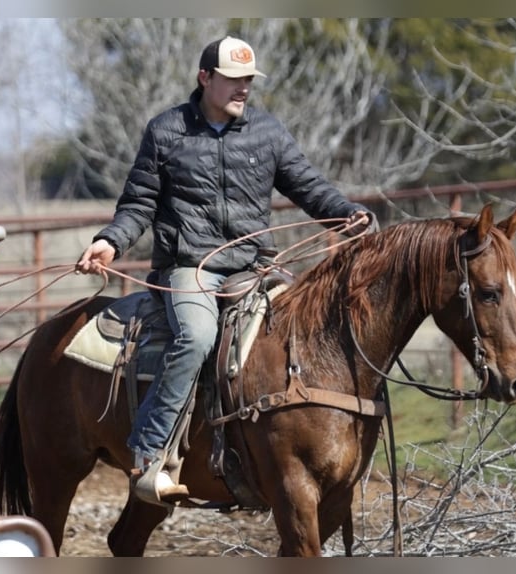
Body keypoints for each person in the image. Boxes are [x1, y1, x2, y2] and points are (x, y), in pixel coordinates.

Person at [76, 35, 377, 506]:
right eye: (235, 81)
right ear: (205, 79)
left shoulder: (267, 132)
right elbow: (138, 203)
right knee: (196, 336)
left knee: (307, 331)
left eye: (249, 82)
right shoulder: (166, 131)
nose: (244, 90)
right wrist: (109, 241)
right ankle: (149, 451)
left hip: (256, 266)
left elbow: (310, 186)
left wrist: (346, 212)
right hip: (190, 266)